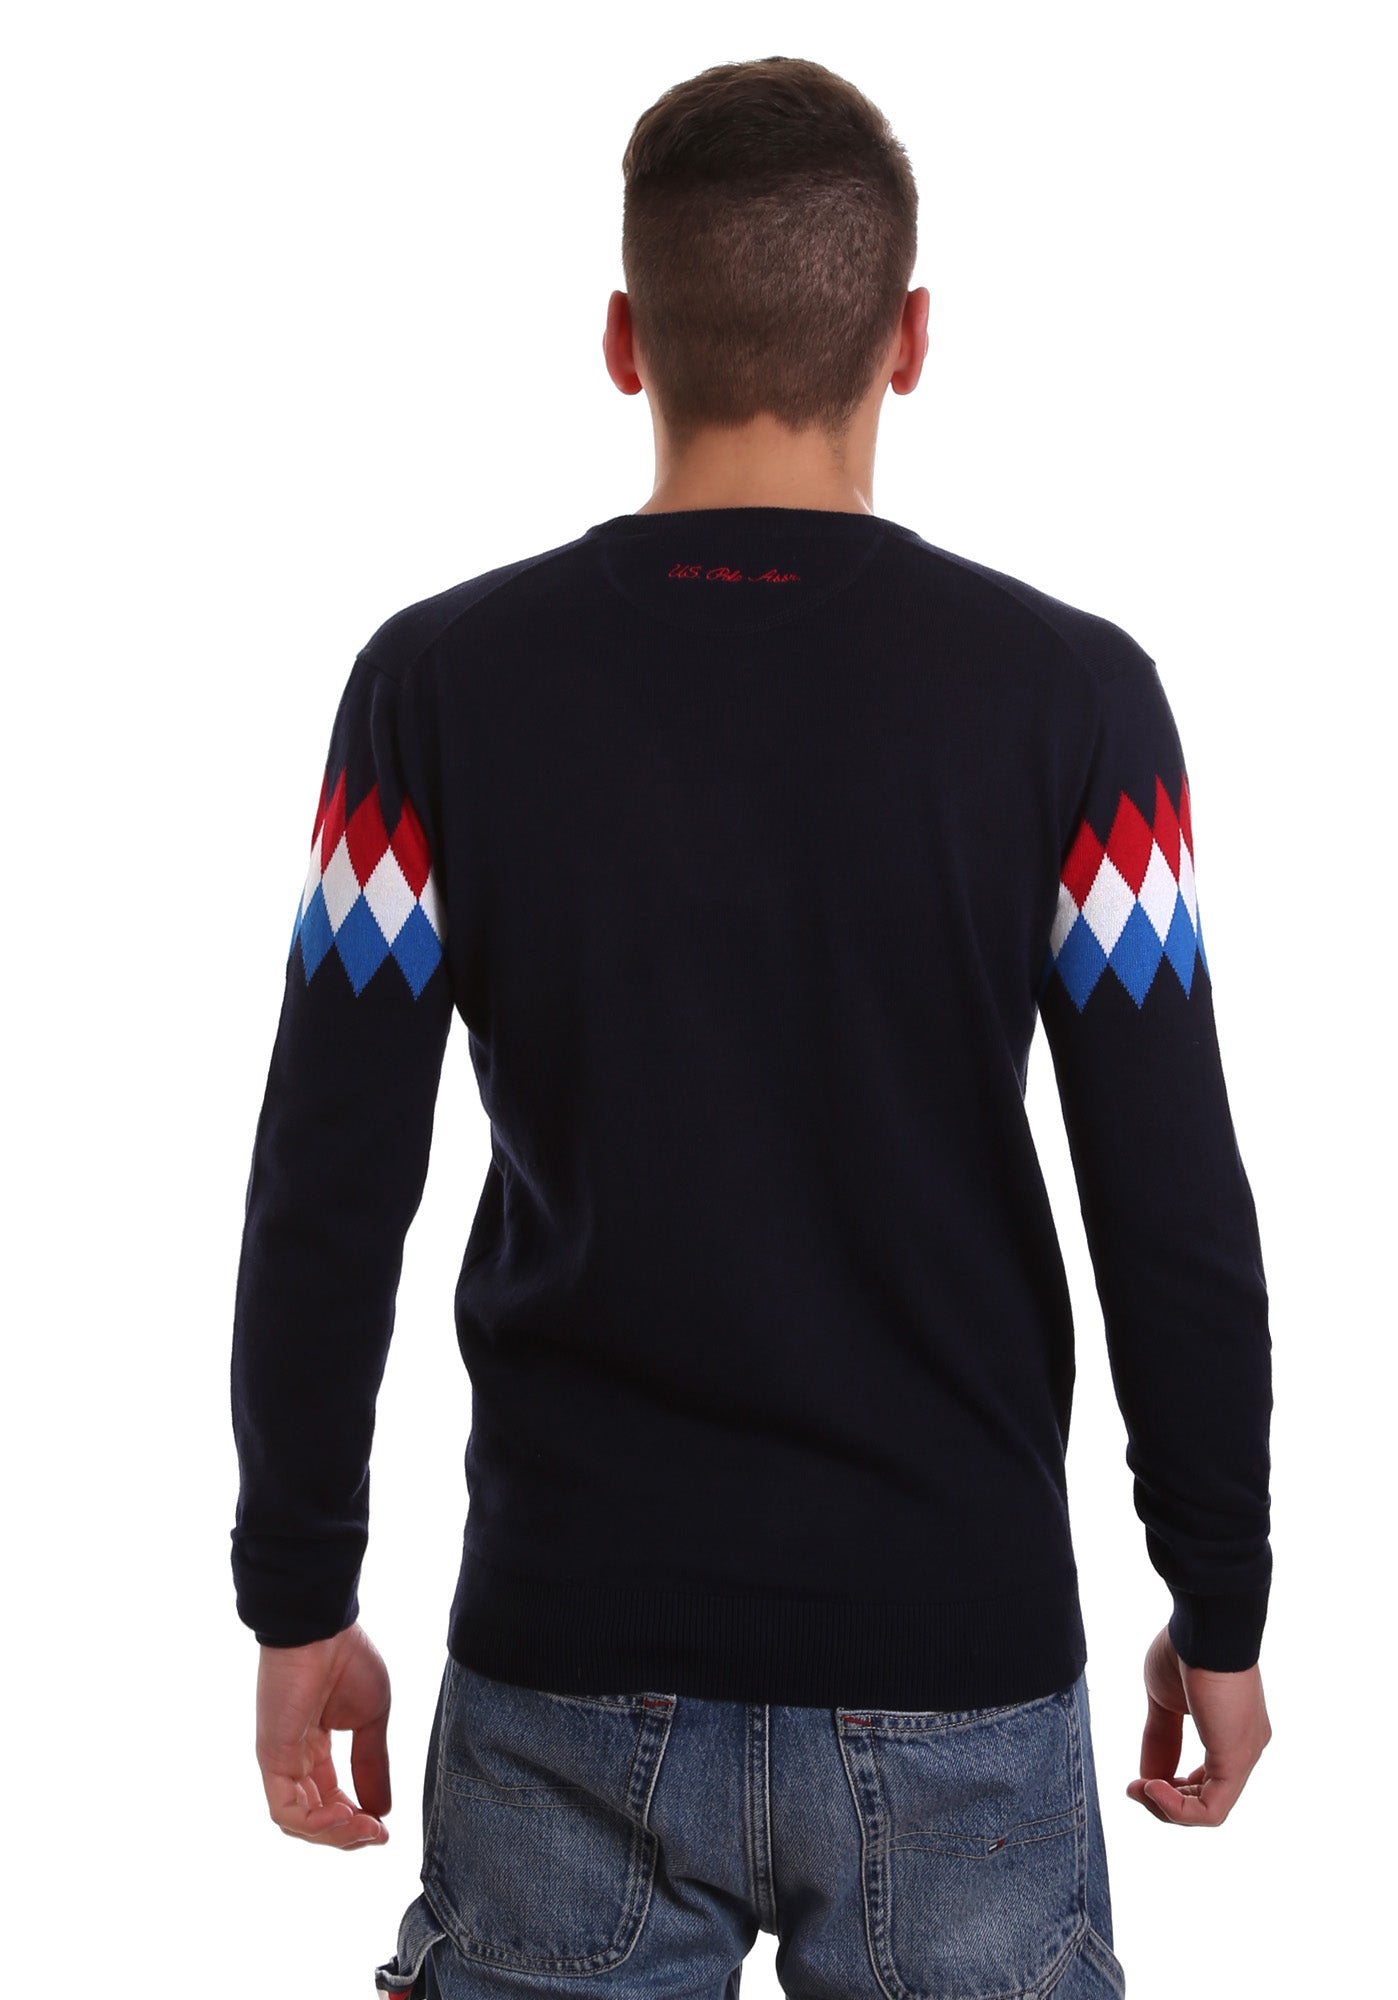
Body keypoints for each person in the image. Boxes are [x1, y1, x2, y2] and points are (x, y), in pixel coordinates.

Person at [230, 54, 1273, 2000]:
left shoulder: (436, 689)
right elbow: (1171, 1203)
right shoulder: (1075, 704)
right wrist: (1220, 1596)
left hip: (566, 1659)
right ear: (913, 340)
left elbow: (326, 1190)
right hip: (958, 1659)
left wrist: (297, 1592)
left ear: (626, 339)